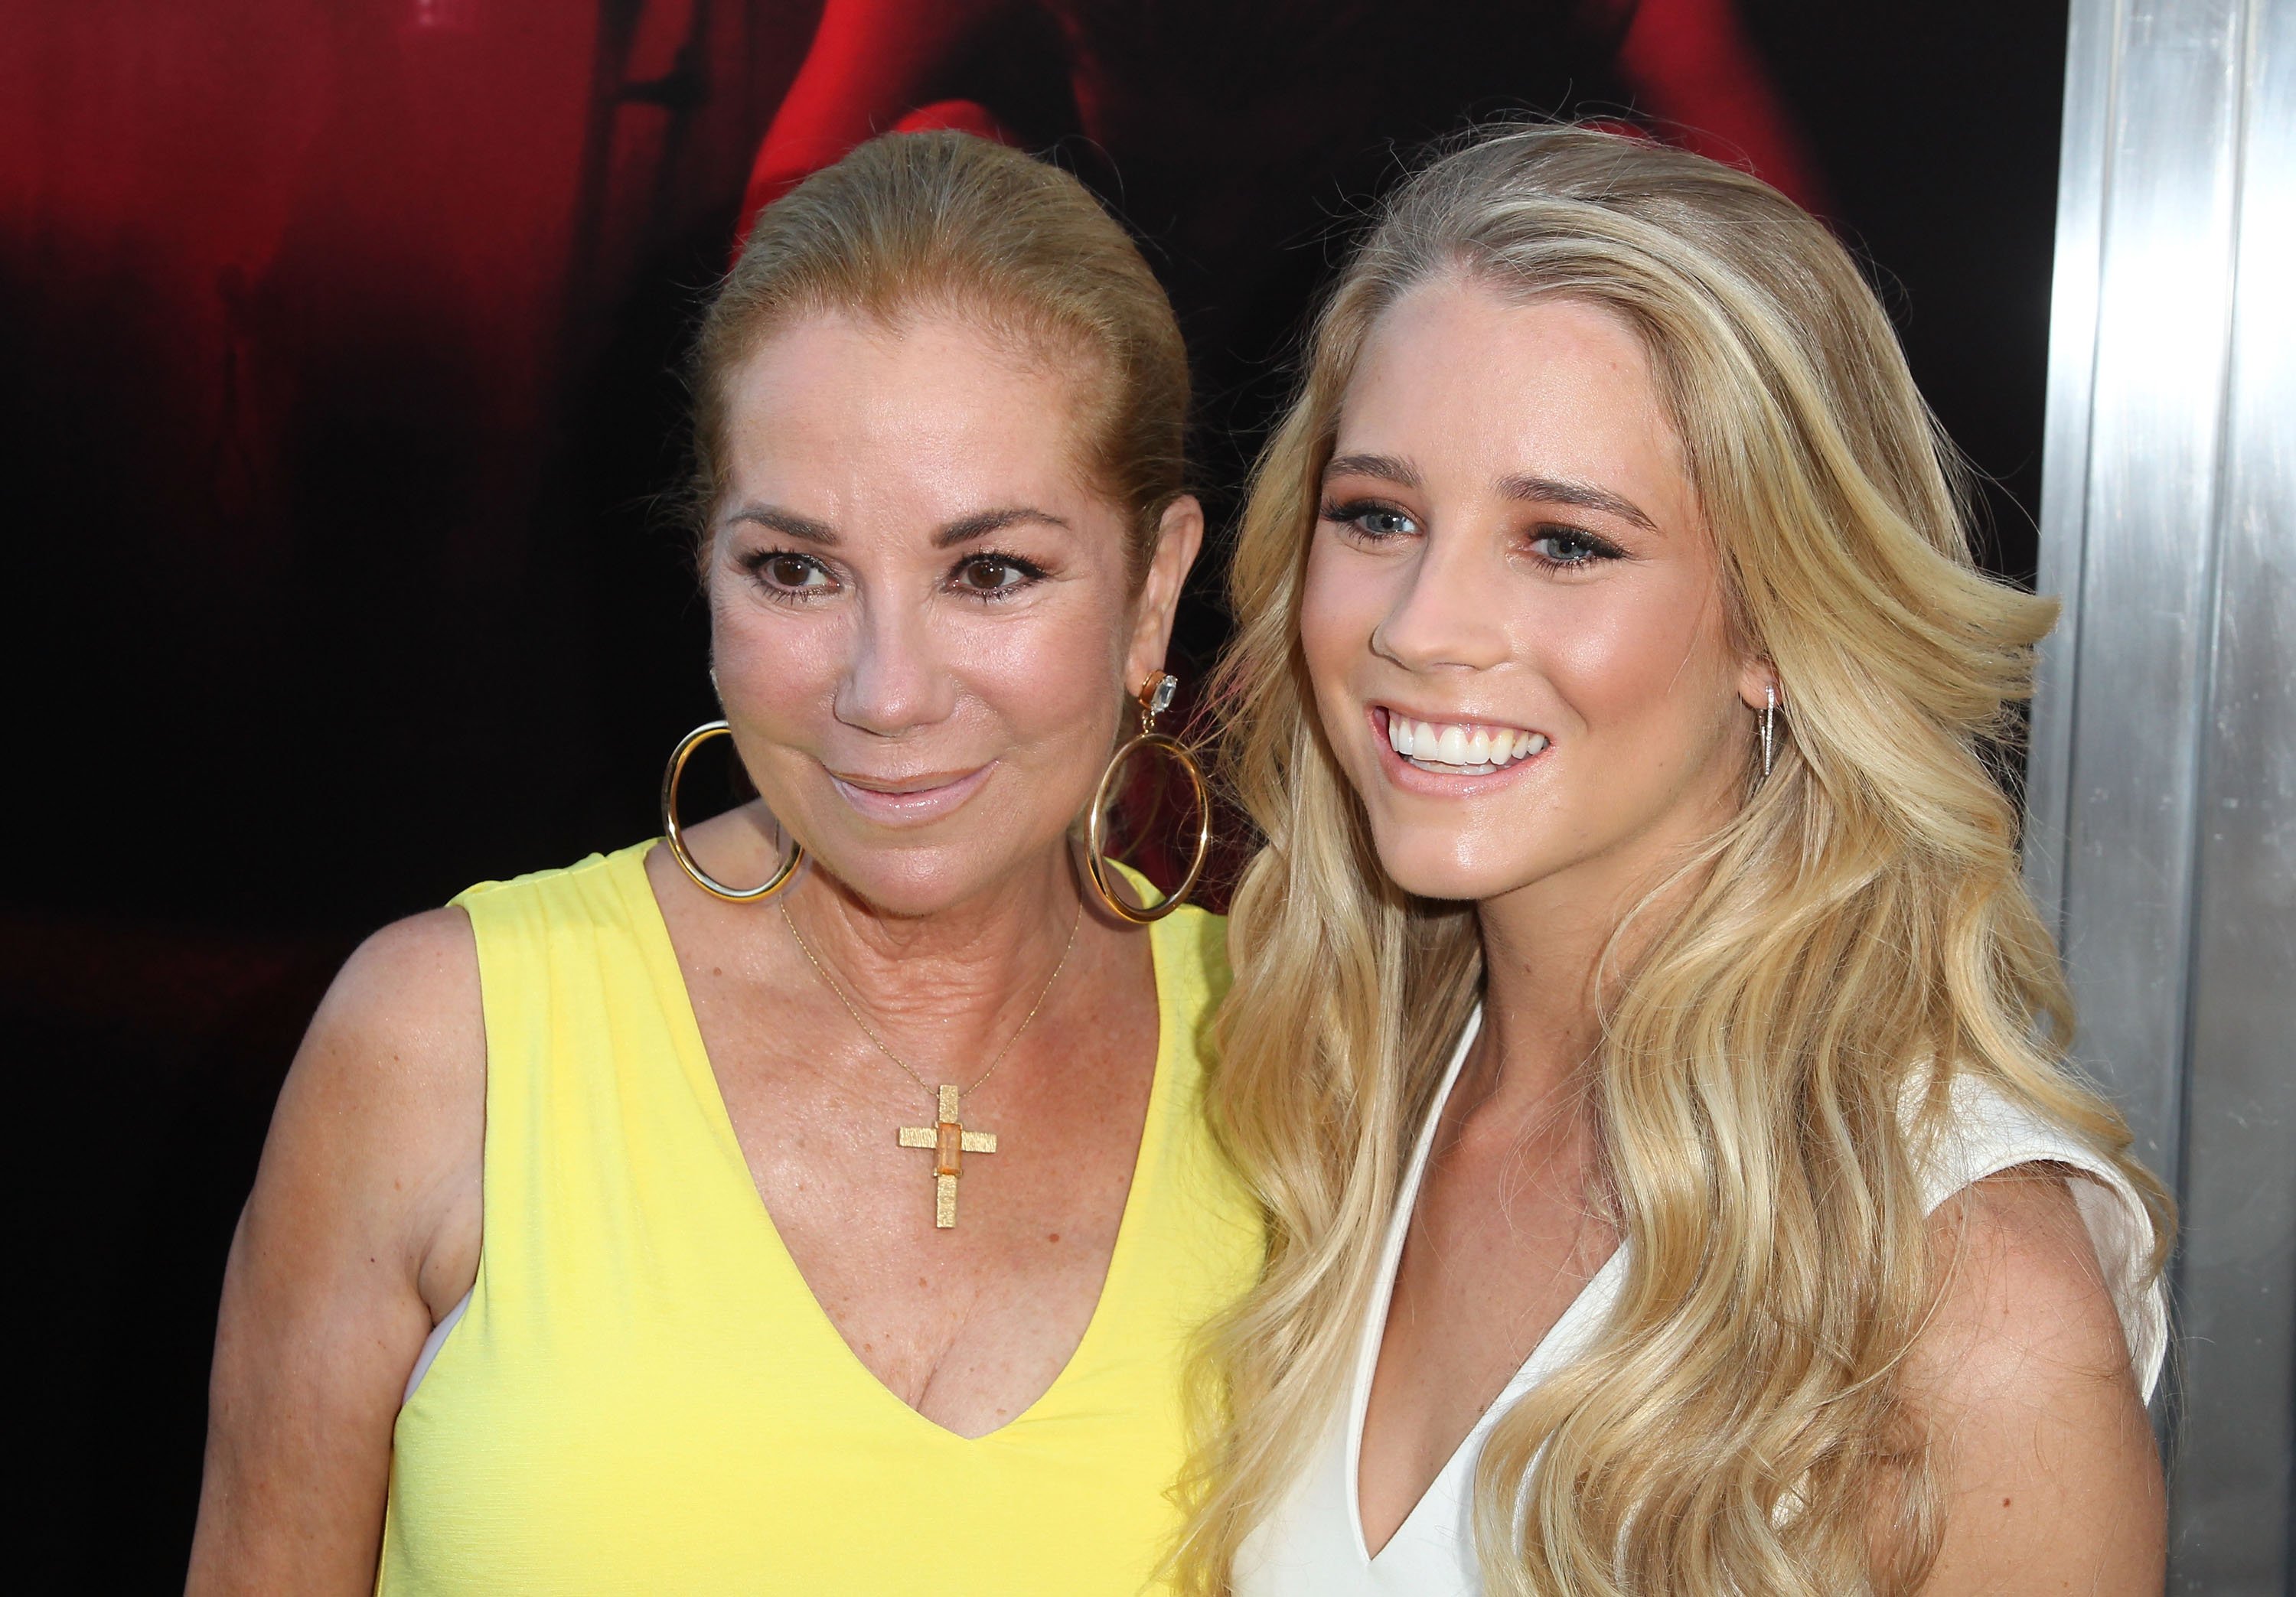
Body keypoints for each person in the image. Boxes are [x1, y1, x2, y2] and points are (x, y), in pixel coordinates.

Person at [188, 131, 1258, 1595]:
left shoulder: (1295, 1059)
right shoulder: (445, 1041)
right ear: (705, 573)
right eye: (797, 571)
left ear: (1153, 592)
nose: (885, 691)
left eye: (991, 571)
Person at [1181, 126, 2171, 1595]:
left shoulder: (1964, 1291)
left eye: (1565, 542)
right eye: (1378, 515)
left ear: (1776, 622)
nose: (1420, 625)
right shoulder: (1336, 1091)